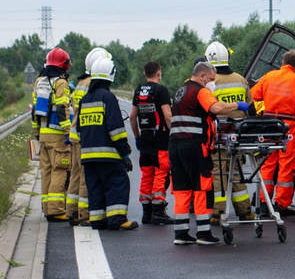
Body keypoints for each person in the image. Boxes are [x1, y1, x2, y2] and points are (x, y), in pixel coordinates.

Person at [169, 61, 247, 245]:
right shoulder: (200, 91)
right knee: (201, 188)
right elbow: (216, 108)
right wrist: (238, 105)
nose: (211, 83)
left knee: (182, 190)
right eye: (210, 79)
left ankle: (181, 234)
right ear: (203, 75)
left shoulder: (182, 90)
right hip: (194, 147)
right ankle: (203, 234)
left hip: (175, 146)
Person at [250, 49, 295, 212]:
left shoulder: (269, 76)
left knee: (267, 164)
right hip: (289, 127)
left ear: (282, 62)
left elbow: (254, 95)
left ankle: (263, 202)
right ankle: (280, 204)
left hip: (269, 124)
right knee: (286, 166)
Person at [78, 57, 138, 231]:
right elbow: (116, 129)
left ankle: (97, 220)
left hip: (88, 155)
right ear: (110, 75)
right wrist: (125, 153)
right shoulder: (108, 98)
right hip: (109, 155)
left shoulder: (85, 99)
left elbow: (81, 128)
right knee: (117, 183)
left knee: (95, 186)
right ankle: (117, 219)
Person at [204, 41, 253, 223]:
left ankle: (218, 213)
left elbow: (207, 108)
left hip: (218, 137)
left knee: (219, 176)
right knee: (237, 174)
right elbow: (251, 107)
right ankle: (245, 211)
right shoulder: (241, 80)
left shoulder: (210, 83)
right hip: (239, 137)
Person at [67, 47, 112, 227]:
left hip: (74, 134)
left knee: (75, 175)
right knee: (87, 176)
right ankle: (85, 214)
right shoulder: (91, 84)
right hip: (84, 135)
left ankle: (72, 212)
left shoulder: (80, 83)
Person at [31, 47, 73, 222]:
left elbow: (34, 110)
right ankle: (55, 210)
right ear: (64, 65)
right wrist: (68, 132)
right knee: (60, 170)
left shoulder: (39, 81)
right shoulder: (60, 83)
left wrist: (37, 133)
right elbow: (63, 109)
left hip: (43, 134)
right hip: (57, 135)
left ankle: (47, 207)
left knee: (46, 171)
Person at [130, 61, 173, 224]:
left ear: (144, 73)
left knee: (147, 174)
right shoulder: (161, 90)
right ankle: (158, 211)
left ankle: (146, 213)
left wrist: (137, 136)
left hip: (145, 138)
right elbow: (168, 116)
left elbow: (133, 116)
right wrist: (174, 134)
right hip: (160, 138)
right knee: (161, 173)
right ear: (159, 73)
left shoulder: (139, 90)